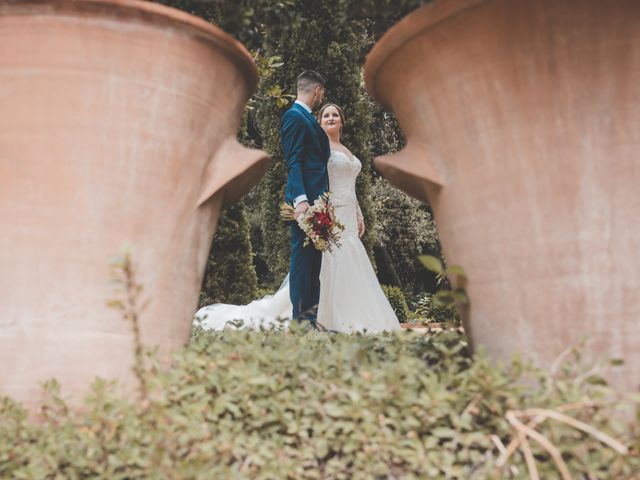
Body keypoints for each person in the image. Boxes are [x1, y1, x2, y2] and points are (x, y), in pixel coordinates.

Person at [193, 103, 399, 333]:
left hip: (349, 215)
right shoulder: (320, 149)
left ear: (342, 120)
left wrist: (359, 212)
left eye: (335, 115)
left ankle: (353, 315)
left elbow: (350, 185)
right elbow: (317, 179)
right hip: (331, 212)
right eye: (325, 115)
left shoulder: (345, 149)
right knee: (327, 264)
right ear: (319, 123)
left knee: (351, 263)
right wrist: (320, 209)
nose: (330, 118)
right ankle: (318, 316)